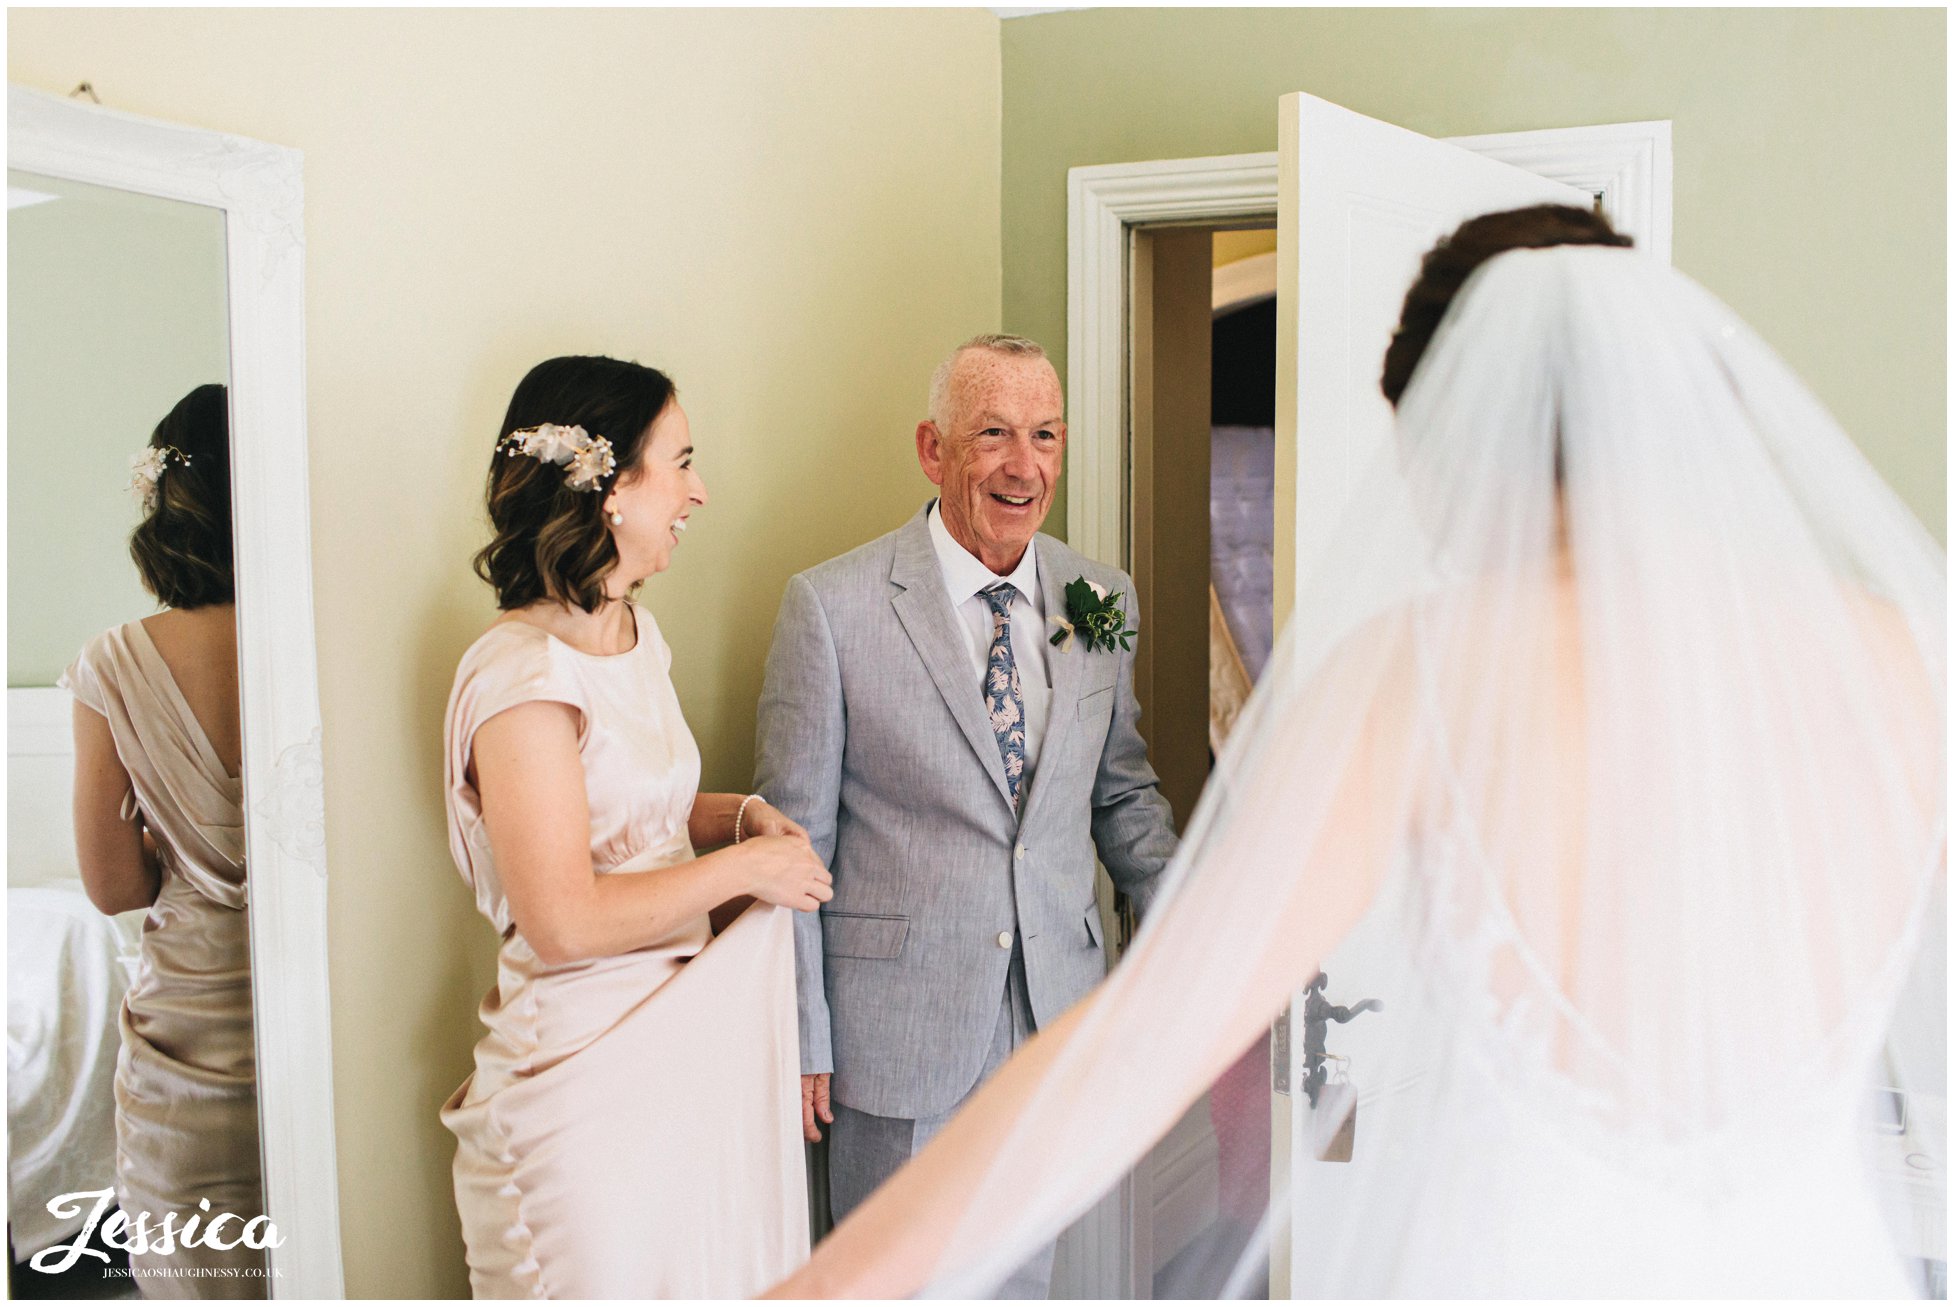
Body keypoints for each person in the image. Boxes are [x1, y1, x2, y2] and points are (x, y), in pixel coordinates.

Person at [766, 209, 1946, 1298]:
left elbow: (1138, 1045)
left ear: (1454, 432)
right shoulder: (1894, 653)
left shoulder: (1425, 670)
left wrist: (815, 1290)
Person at [755, 333, 1179, 1295]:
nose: (1023, 466)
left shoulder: (1098, 597)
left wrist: (1189, 933)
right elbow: (793, 848)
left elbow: (1118, 793)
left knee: (1027, 1281)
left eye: (1045, 435)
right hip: (896, 1040)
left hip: (1056, 1026)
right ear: (931, 448)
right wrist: (804, 1037)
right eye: (992, 433)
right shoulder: (831, 608)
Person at [438, 355, 832, 1298]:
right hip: (581, 1083)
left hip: (681, 1054)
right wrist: (749, 871)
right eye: (681, 460)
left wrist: (734, 816)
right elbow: (564, 917)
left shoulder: (633, 633)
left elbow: (632, 812)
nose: (699, 489)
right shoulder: (520, 677)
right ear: (612, 490)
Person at [64, 382, 267, 1297]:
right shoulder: (311, 645)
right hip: (301, 1013)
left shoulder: (113, 663)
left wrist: (159, 835)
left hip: (183, 1031)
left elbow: (112, 889)